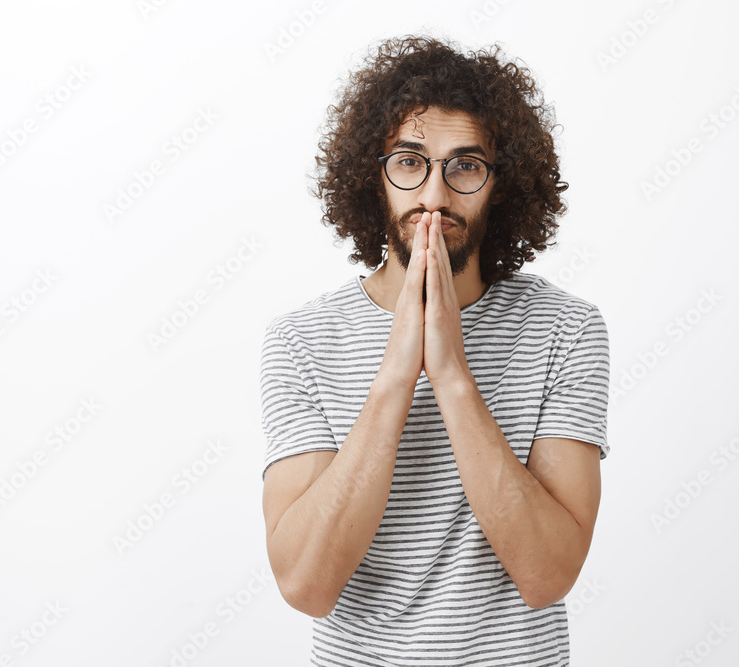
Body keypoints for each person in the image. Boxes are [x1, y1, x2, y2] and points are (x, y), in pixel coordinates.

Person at [260, 34, 610, 666]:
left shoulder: (568, 329)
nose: (435, 197)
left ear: (501, 185)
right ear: (374, 177)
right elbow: (306, 585)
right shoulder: (301, 341)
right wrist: (397, 373)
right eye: (410, 162)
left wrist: (450, 374)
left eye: (466, 166)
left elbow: (547, 575)